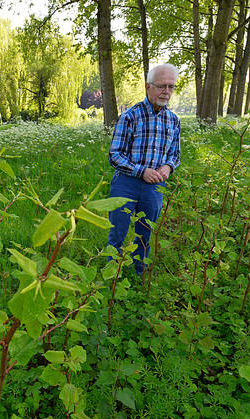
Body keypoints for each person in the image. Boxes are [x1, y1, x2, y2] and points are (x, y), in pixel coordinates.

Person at [107, 63, 180, 278]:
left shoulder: (173, 120)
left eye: (171, 87)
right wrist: (142, 171)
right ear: (148, 87)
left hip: (155, 186)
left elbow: (174, 155)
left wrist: (168, 167)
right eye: (162, 86)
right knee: (117, 233)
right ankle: (112, 276)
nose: (166, 92)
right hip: (126, 184)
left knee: (145, 233)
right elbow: (115, 155)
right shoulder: (129, 117)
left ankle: (139, 276)